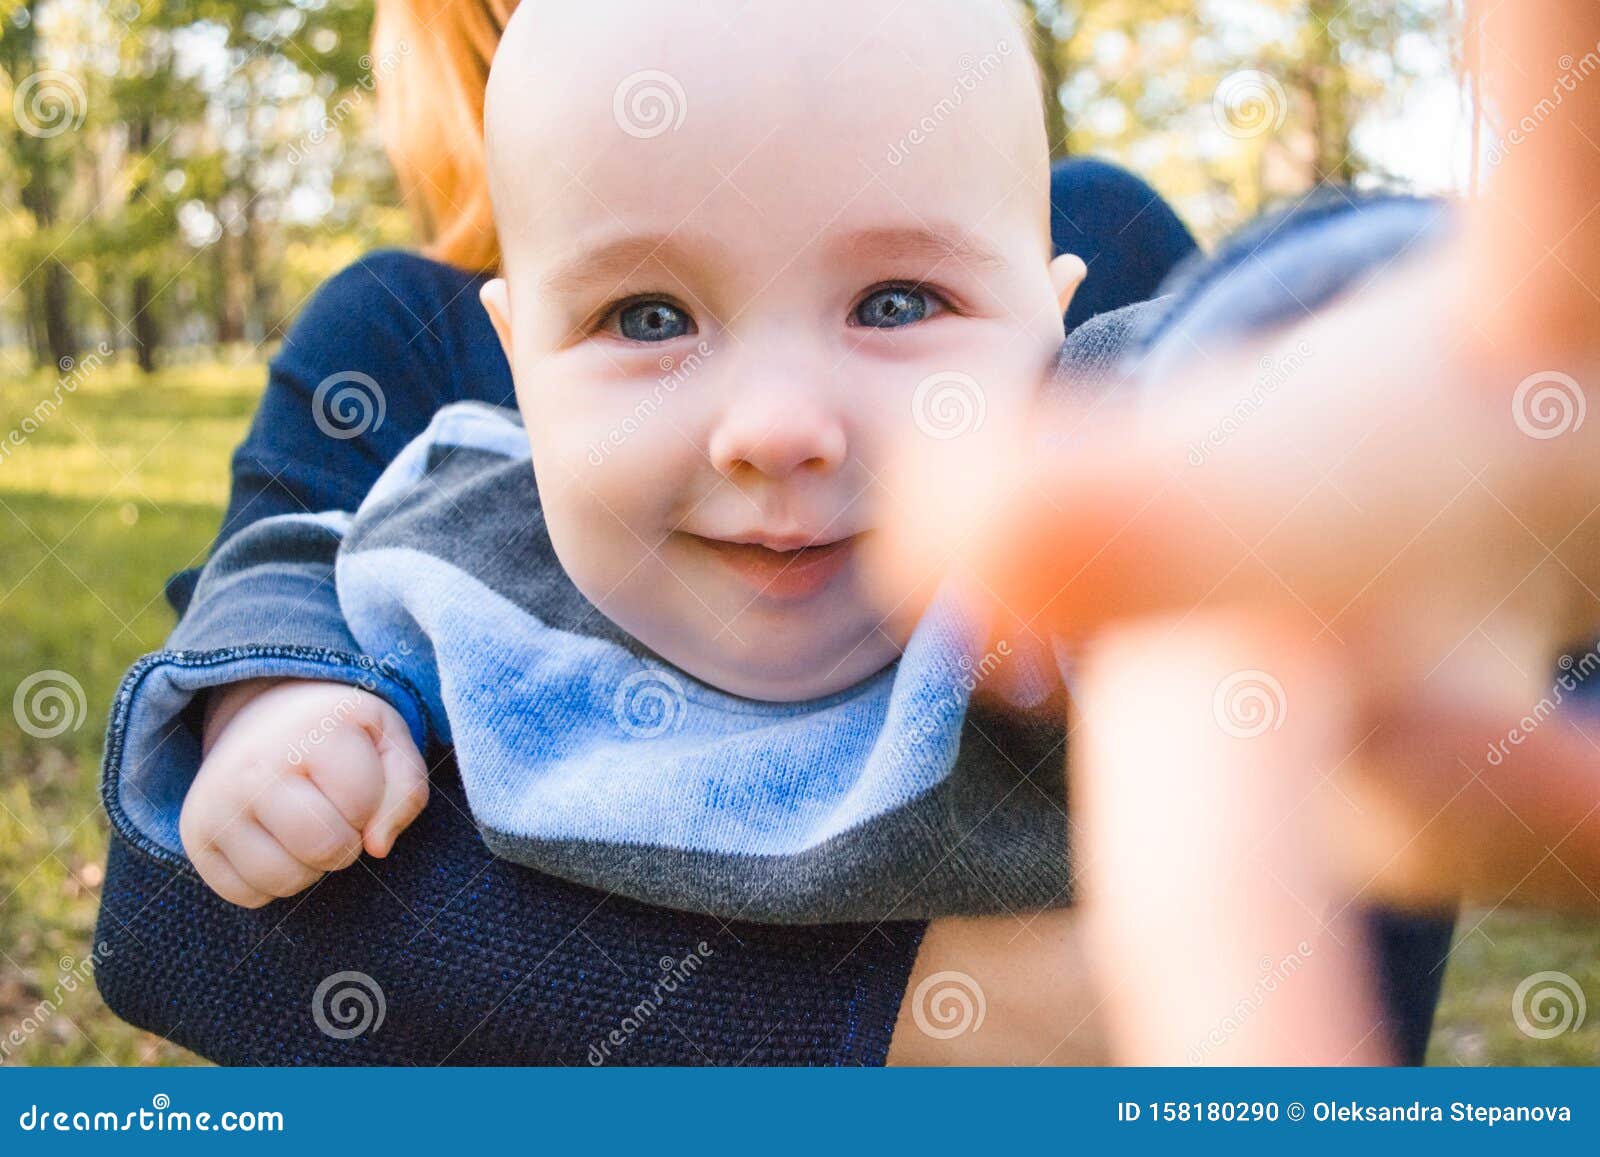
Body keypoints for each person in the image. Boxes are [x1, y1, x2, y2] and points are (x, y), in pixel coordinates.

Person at [92, 0, 1445, 1066]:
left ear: (1054, 314)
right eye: (650, 319)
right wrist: (275, 698)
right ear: (513, 366)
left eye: (898, 305)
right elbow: (197, 906)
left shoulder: (1084, 436)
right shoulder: (457, 501)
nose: (779, 427)